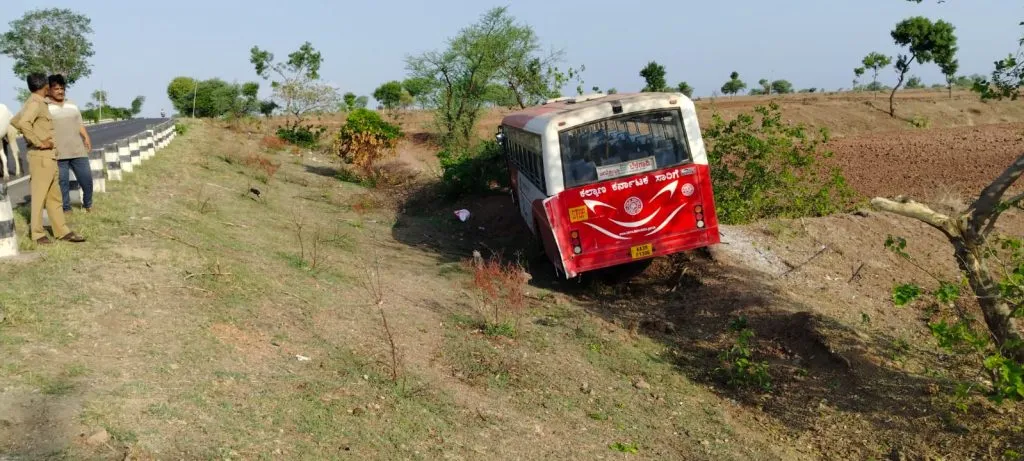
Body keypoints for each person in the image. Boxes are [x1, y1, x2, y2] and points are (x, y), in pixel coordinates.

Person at [10, 72, 85, 244]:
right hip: (41, 156)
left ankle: (62, 231)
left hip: (49, 156)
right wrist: (38, 141)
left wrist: (35, 135)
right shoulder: (36, 103)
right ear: (45, 86)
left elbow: (15, 121)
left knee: (54, 197)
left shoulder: (35, 101)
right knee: (39, 198)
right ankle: (37, 234)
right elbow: (23, 123)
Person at [47, 74, 94, 213]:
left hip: (78, 150)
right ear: (49, 90)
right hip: (58, 153)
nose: (60, 91)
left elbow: (79, 123)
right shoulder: (45, 106)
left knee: (86, 179)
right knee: (62, 183)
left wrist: (86, 137)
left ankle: (88, 204)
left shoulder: (72, 104)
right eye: (56, 89)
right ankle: (66, 208)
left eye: (62, 88)